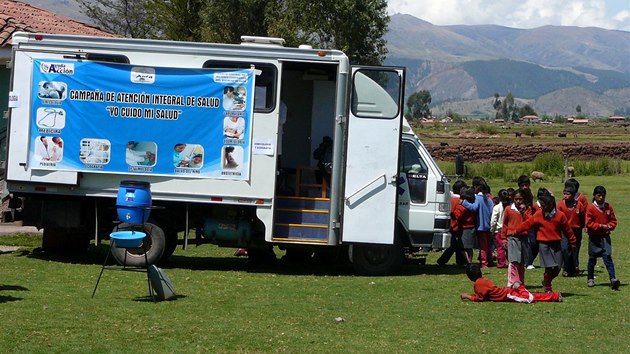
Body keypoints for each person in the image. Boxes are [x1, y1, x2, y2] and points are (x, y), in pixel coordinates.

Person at [516, 193, 576, 293]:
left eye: (544, 205)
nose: (542, 208)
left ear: (551, 204)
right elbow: (528, 223)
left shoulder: (560, 216)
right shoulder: (539, 214)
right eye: (541, 205)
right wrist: (517, 230)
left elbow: (567, 230)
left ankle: (546, 281)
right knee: (548, 267)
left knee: (557, 267)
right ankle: (548, 287)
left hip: (556, 243)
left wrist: (573, 242)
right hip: (544, 244)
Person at [460, 264, 562, 303]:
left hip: (509, 295)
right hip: (508, 292)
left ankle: (520, 287)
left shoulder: (478, 284)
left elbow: (480, 298)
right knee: (535, 296)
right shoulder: (484, 280)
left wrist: (467, 296)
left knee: (530, 298)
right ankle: (555, 296)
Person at [585, 185, 620, 290]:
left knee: (608, 257)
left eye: (603, 196)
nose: (601, 198)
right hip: (594, 237)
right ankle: (590, 278)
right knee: (592, 259)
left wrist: (610, 226)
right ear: (594, 196)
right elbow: (589, 223)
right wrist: (600, 226)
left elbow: (613, 221)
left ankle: (613, 279)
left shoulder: (608, 207)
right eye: (598, 195)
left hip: (605, 237)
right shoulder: (590, 208)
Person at [501, 188, 534, 287]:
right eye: (516, 199)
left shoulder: (527, 210)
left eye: (520, 199)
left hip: (523, 237)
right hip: (512, 237)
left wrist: (523, 212)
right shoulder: (508, 209)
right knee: (514, 260)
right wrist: (503, 238)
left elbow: (530, 222)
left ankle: (520, 281)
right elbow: (505, 224)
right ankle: (512, 282)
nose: (518, 201)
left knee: (521, 261)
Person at [461, 176, 495, 268]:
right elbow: (492, 209)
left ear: (476, 187)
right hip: (488, 225)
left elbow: (474, 207)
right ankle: (490, 260)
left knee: (483, 246)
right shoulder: (488, 198)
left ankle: (484, 262)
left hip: (481, 226)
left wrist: (464, 202)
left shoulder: (478, 198)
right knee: (488, 244)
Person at [437, 180, 469, 266]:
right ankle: (456, 260)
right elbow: (459, 214)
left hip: (450, 224)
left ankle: (453, 260)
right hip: (457, 225)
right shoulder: (460, 201)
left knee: (455, 244)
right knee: (457, 244)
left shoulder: (449, 198)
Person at [556, 182, 585, 277]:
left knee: (574, 250)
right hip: (565, 231)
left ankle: (573, 268)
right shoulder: (560, 205)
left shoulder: (579, 205)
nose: (565, 196)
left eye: (568, 194)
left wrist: (584, 226)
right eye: (564, 194)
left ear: (573, 195)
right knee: (564, 249)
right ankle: (566, 268)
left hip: (576, 230)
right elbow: (557, 218)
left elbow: (582, 217)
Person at [565, 178, 587, 274]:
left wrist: (585, 225)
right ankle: (566, 266)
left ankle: (575, 265)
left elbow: (585, 213)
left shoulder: (581, 199)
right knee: (566, 248)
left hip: (577, 228)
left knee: (575, 247)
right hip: (566, 228)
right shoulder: (564, 200)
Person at [518, 175, 538, 270]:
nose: (525, 187)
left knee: (533, 243)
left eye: (526, 185)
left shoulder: (530, 193)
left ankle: (529, 261)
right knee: (527, 243)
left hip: (530, 220)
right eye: (522, 185)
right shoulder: (518, 195)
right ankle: (528, 262)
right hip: (522, 222)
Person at [490, 189, 509, 268]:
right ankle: (510, 261)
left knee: (500, 248)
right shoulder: (510, 207)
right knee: (508, 247)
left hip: (499, 231)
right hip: (508, 230)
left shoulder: (497, 207)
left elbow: (493, 221)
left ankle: (501, 263)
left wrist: (492, 230)